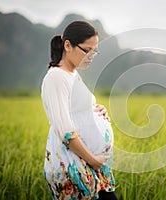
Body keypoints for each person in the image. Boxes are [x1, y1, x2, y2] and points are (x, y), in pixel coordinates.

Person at [41, 21, 118, 200]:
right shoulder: (56, 77)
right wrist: (93, 160)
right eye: (86, 50)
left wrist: (97, 110)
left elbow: (76, 109)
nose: (91, 56)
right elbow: (65, 131)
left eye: (94, 51)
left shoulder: (72, 73)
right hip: (73, 167)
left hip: (88, 164)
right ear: (67, 45)